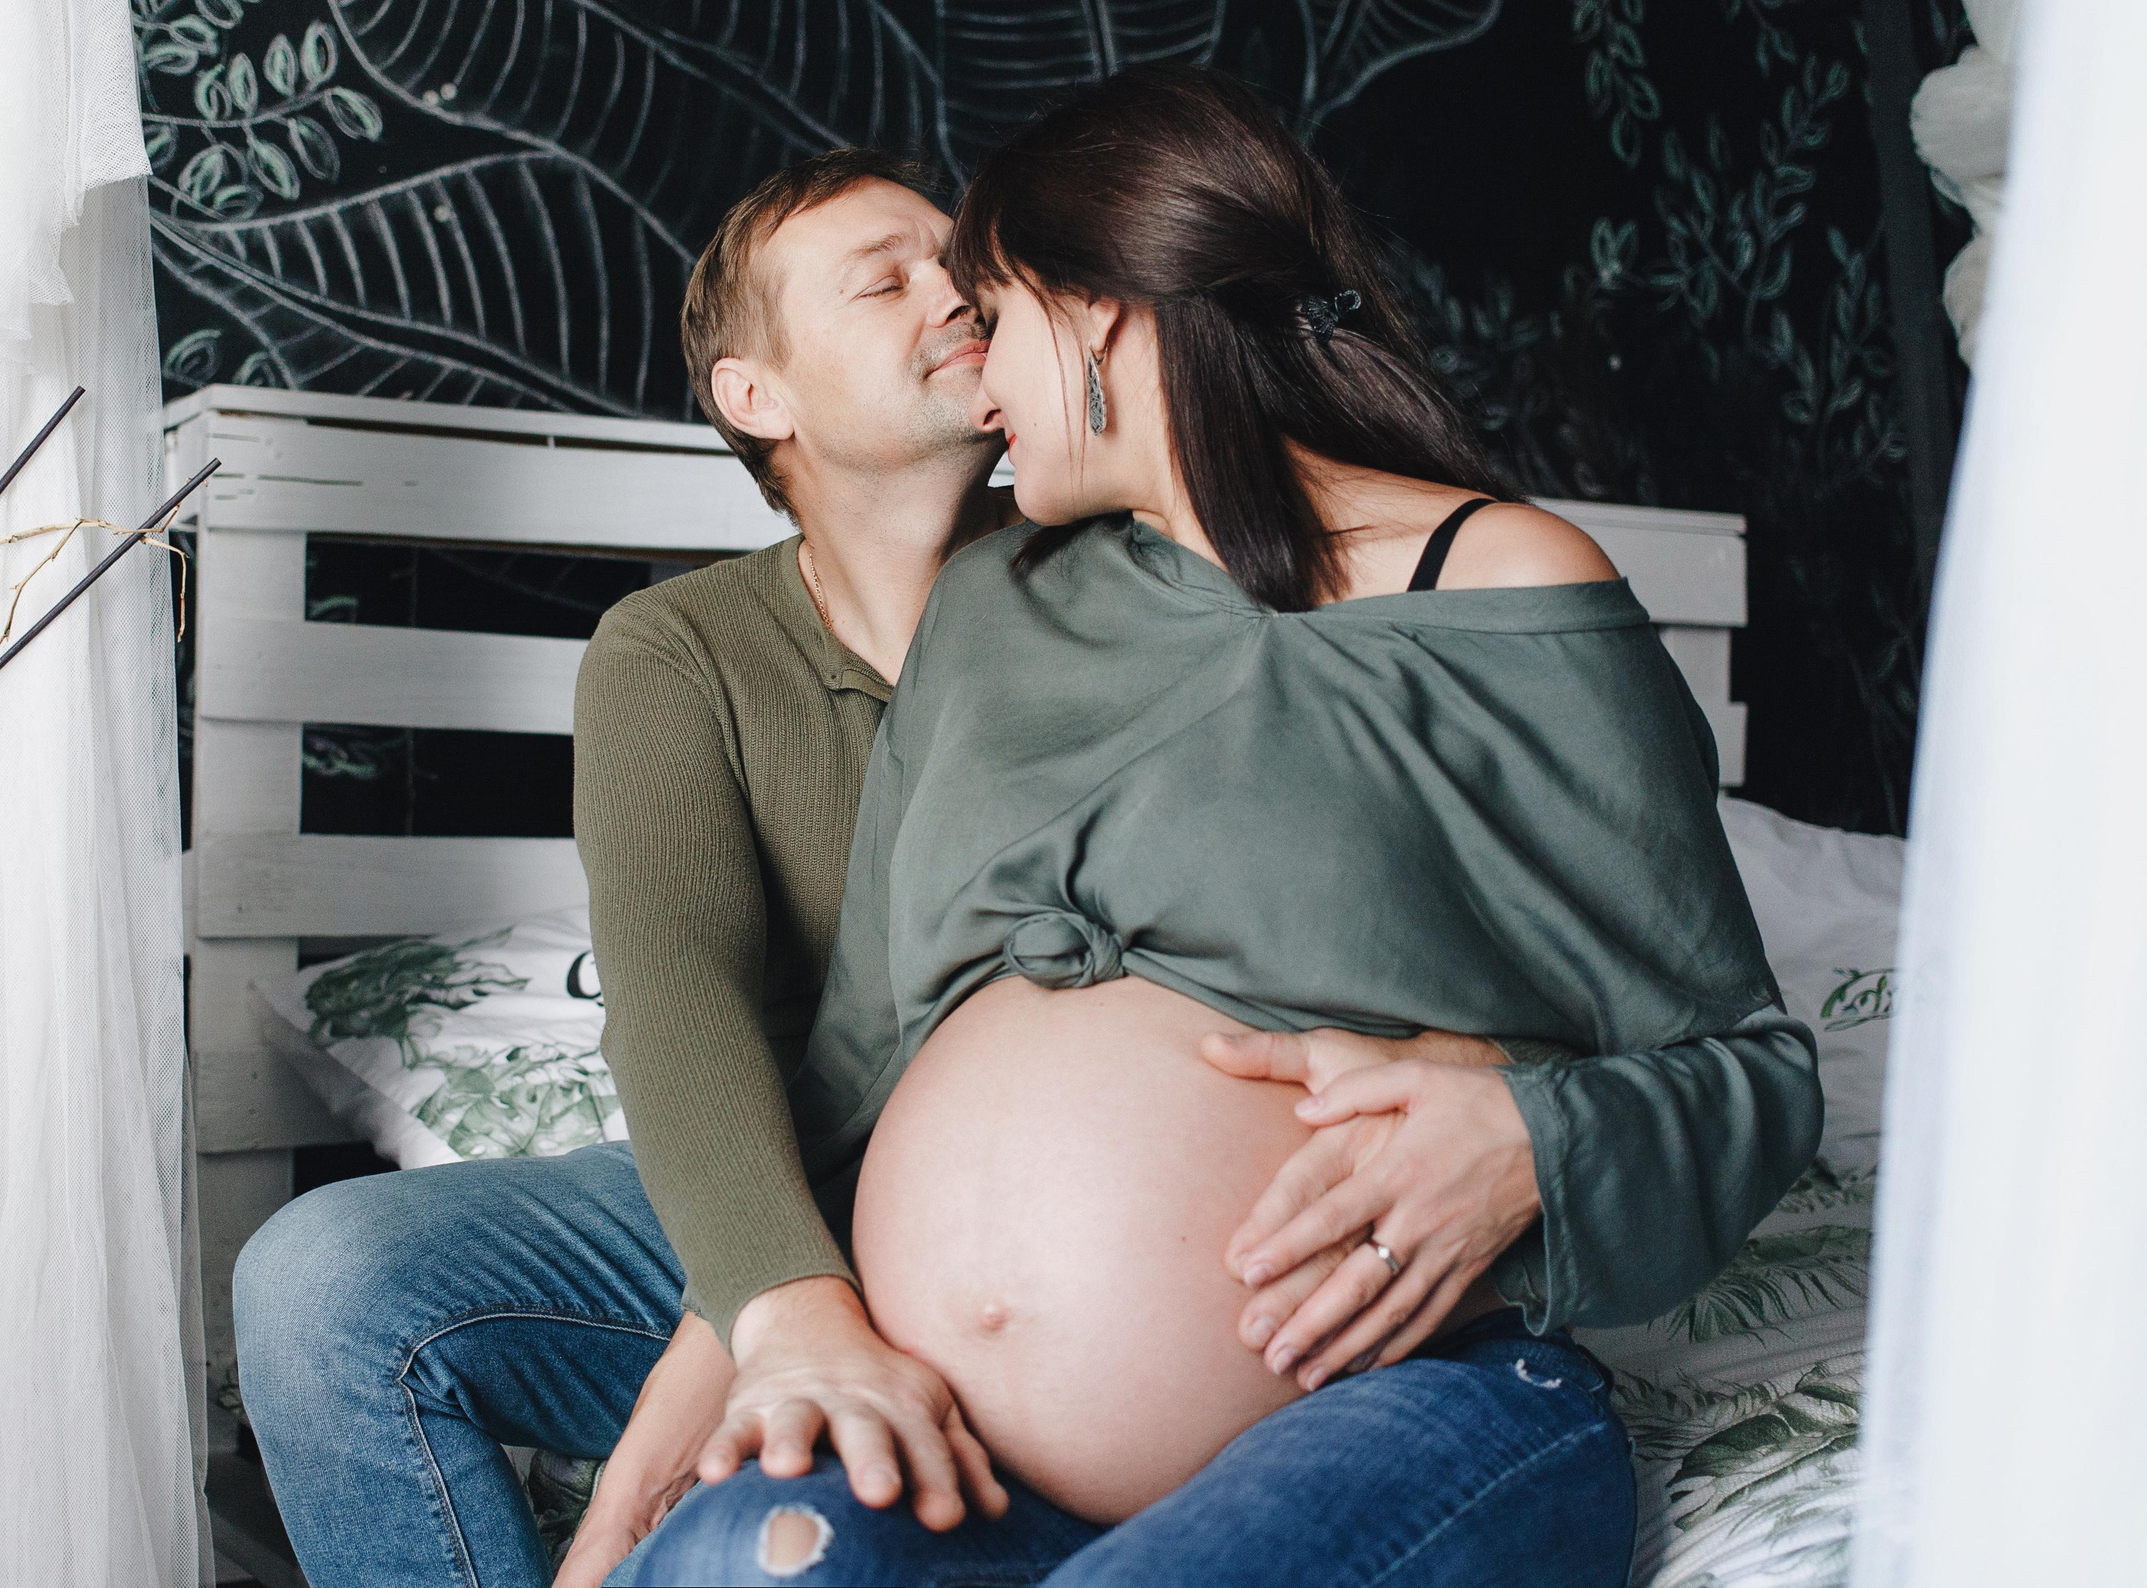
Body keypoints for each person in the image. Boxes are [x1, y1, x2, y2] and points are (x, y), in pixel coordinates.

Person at [230, 147, 1508, 1588]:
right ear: (754, 396)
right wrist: (779, 1301)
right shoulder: (680, 653)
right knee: (322, 1278)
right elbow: (678, 997)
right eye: (879, 277)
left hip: (1066, 1205)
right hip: (777, 1185)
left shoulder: (1146, 582)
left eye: (961, 263)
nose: (952, 290)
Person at [618, 69, 1821, 1585]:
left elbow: (1741, 1064)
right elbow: (864, 1047)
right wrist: (738, 1334)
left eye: (996, 319)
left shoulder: (1502, 581)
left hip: (1393, 1402)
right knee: (740, 1558)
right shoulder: (1000, 606)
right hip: (953, 1448)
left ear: (1101, 313)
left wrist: (1532, 1133)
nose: (980, 390)